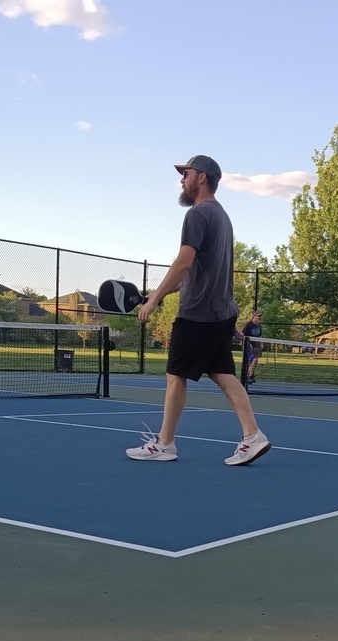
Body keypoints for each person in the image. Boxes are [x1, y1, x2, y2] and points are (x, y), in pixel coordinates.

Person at [126, 155, 272, 464]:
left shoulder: (197, 214)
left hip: (198, 314)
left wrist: (153, 301)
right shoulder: (222, 217)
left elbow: (184, 262)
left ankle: (165, 444)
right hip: (221, 312)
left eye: (186, 173)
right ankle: (253, 436)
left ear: (202, 178)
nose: (181, 179)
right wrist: (161, 292)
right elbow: (198, 271)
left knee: (175, 376)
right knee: (223, 374)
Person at [241, 310, 262, 384]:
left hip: (256, 346)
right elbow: (243, 335)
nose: (260, 317)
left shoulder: (259, 326)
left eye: (260, 316)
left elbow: (259, 336)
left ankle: (250, 375)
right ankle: (249, 376)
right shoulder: (249, 325)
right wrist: (248, 343)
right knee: (253, 360)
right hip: (248, 345)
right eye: (258, 316)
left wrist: (260, 343)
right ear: (254, 316)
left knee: (254, 361)